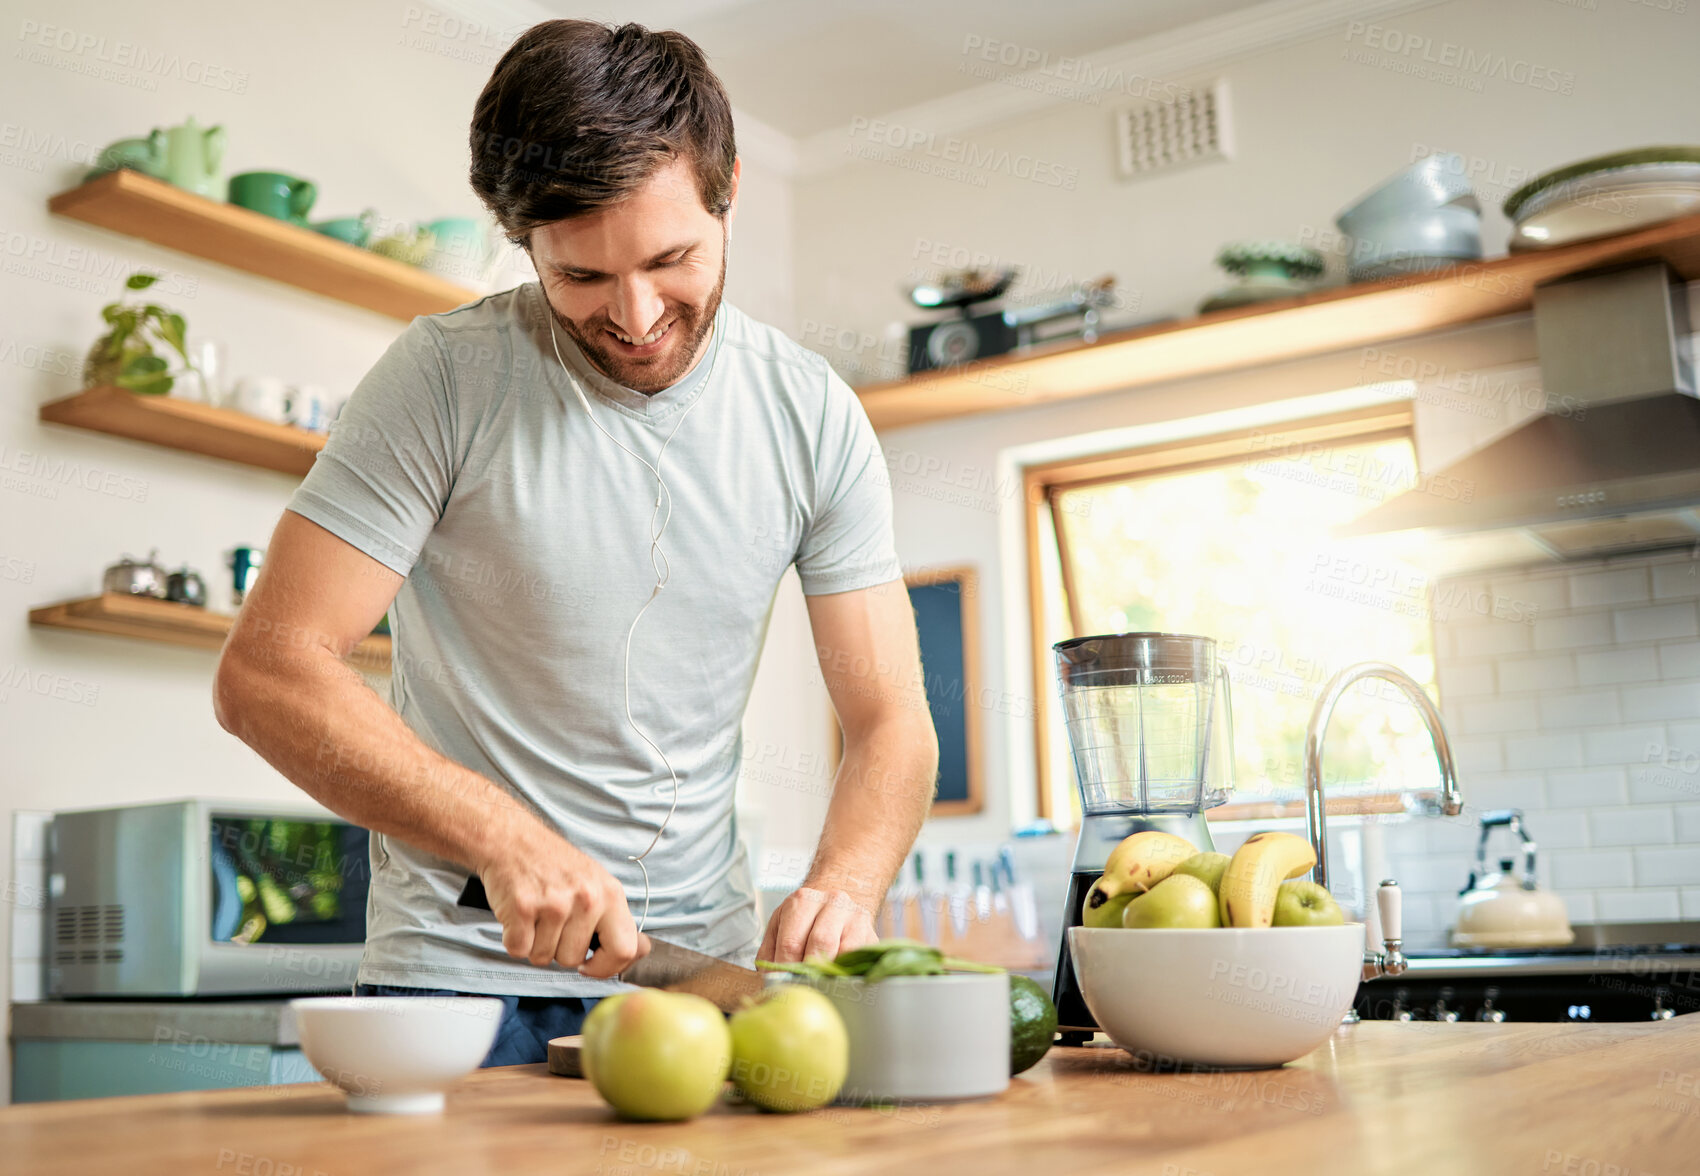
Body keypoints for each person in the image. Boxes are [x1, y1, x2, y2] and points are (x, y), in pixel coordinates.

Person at [213, 19, 938, 1066]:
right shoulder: (443, 380)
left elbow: (888, 720)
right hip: (457, 989)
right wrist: (502, 839)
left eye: (671, 259)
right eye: (581, 278)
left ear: (727, 187)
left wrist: (844, 885)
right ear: (524, 244)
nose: (637, 316)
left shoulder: (810, 414)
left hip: (707, 986)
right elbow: (268, 674)